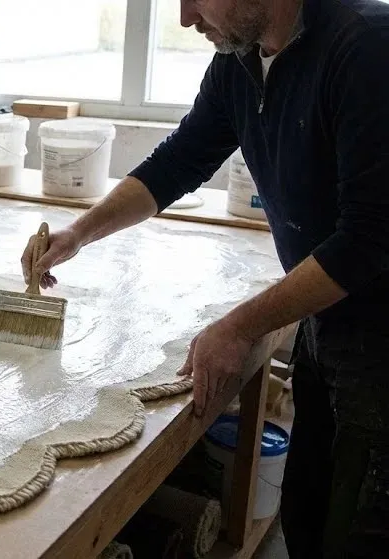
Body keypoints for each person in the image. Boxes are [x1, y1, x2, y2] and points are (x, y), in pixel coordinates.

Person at [22, 0, 388, 556]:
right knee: (308, 517)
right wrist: (79, 233)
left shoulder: (367, 48)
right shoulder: (241, 61)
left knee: (361, 532)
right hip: (328, 321)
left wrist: (239, 327)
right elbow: (177, 162)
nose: (186, 18)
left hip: (383, 335)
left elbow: (369, 239)